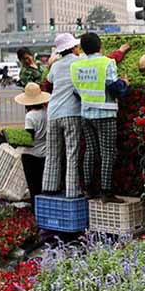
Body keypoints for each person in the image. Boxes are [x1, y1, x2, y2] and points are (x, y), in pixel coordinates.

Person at [70, 32, 129, 203]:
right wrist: (125, 84)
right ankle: (106, 191)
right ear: (100, 46)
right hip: (105, 113)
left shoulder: (76, 66)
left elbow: (76, 91)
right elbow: (114, 87)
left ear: (83, 48)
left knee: (90, 150)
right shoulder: (106, 62)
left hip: (86, 113)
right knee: (108, 152)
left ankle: (89, 188)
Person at [41, 33, 85, 198]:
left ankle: (49, 187)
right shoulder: (79, 61)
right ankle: (72, 191)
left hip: (53, 113)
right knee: (71, 152)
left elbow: (50, 80)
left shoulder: (55, 66)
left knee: (53, 152)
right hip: (71, 112)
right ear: (73, 48)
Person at [14, 82, 50, 210]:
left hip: (31, 155)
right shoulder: (47, 112)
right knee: (44, 185)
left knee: (34, 187)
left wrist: (12, 138)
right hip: (45, 154)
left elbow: (28, 138)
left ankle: (37, 211)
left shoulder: (30, 116)